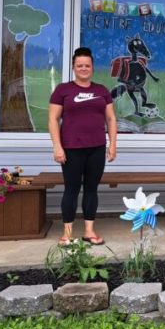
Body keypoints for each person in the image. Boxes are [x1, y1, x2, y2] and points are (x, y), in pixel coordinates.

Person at [49, 47, 117, 246]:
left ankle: (89, 231)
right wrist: (57, 146)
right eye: (79, 65)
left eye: (87, 65)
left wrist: (113, 145)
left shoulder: (102, 90)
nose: (84, 68)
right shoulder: (63, 90)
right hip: (71, 149)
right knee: (71, 190)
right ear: (73, 67)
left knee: (91, 190)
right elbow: (53, 119)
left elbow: (111, 119)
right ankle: (67, 233)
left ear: (93, 67)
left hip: (96, 148)